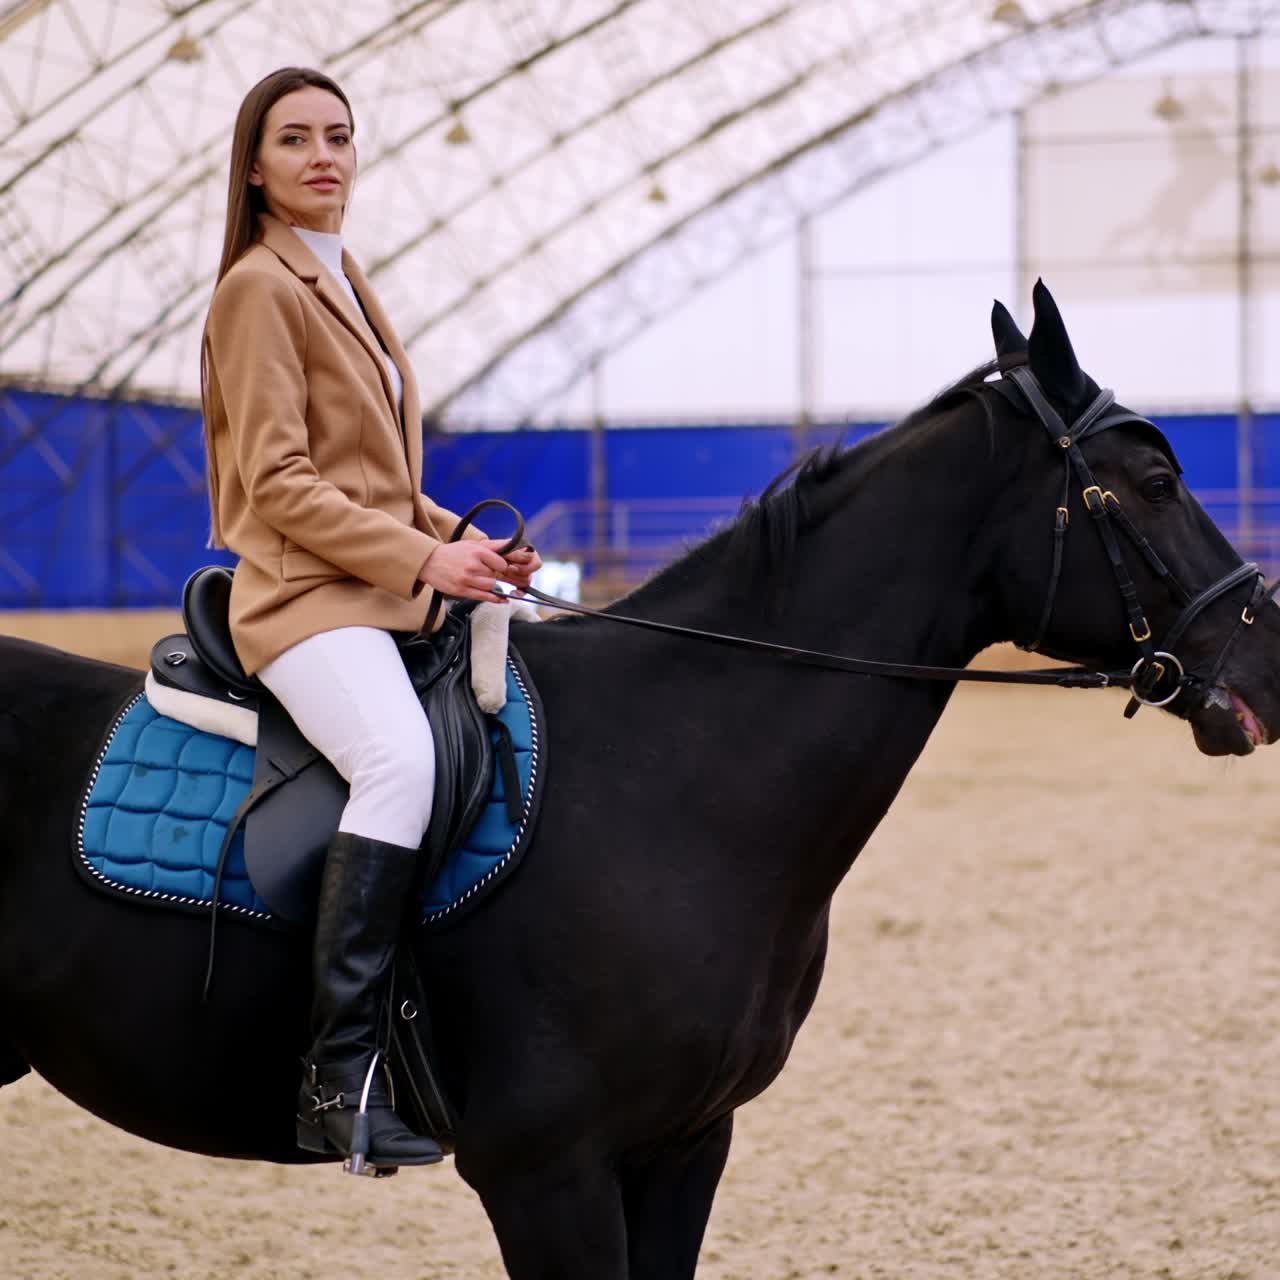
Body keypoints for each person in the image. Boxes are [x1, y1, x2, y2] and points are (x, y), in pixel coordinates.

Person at [199, 66, 541, 1171]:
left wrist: (461, 544)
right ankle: (335, 1077)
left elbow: (378, 474)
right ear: (254, 165)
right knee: (397, 758)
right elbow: (282, 481)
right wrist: (420, 555)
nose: (322, 156)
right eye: (294, 139)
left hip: (378, 585)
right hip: (302, 601)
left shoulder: (341, 276)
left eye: (338, 136)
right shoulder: (258, 286)